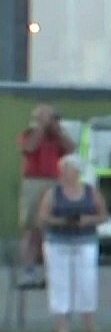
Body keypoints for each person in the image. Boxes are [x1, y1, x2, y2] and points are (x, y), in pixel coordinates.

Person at [37, 154, 106, 332]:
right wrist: (60, 221)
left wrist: (87, 220)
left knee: (87, 281)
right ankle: (62, 325)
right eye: (63, 170)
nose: (64, 174)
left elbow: (103, 215)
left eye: (68, 170)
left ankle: (89, 323)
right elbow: (43, 216)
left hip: (85, 241)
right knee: (59, 282)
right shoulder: (53, 193)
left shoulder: (91, 192)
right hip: (57, 242)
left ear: (77, 171)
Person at [15, 104, 76, 287]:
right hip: (34, 182)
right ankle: (28, 272)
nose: (53, 121)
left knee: (53, 231)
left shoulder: (57, 137)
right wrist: (41, 126)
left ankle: (52, 273)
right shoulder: (29, 133)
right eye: (50, 117)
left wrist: (56, 130)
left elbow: (71, 148)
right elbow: (29, 148)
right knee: (32, 230)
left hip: (55, 182)